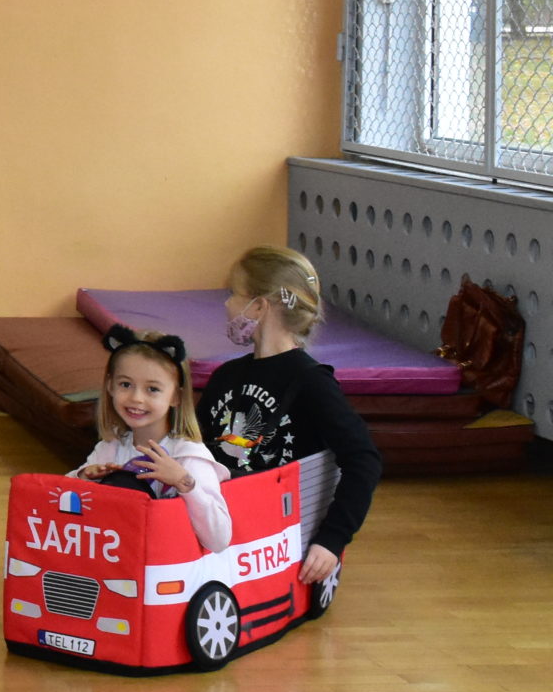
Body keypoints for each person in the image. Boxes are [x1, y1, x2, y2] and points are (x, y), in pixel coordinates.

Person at [200, 246, 382, 588]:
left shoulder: (311, 382)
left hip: (274, 545)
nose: (226, 304)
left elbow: (363, 459)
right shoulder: (224, 376)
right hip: (220, 532)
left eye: (233, 294)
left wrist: (332, 539)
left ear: (259, 306)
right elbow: (195, 445)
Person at [73, 327, 231, 554]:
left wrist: (183, 482)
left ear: (175, 396)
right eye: (125, 384)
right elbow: (63, 503)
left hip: (166, 565)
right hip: (117, 561)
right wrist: (82, 478)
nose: (136, 398)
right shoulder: (110, 447)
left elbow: (219, 539)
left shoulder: (188, 456)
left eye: (153, 389)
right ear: (110, 386)